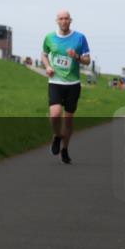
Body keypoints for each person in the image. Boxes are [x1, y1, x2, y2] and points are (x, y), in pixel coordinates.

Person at [41, 9, 91, 165]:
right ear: (57, 21)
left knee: (68, 120)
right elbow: (44, 54)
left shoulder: (80, 38)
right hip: (55, 82)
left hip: (73, 84)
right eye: (61, 18)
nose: (64, 21)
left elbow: (87, 60)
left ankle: (65, 149)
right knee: (55, 115)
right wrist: (47, 66)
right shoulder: (49, 37)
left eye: (66, 18)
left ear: (70, 20)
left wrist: (76, 56)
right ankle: (57, 136)